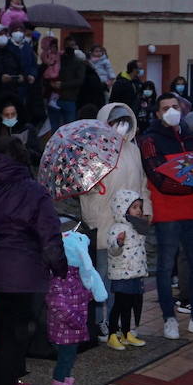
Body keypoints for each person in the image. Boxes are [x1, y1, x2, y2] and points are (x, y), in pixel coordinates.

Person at [0, 136, 67, 385]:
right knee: (17, 333)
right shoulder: (34, 191)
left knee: (0, 330)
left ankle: (8, 381)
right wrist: (60, 267)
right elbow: (49, 236)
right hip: (22, 274)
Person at [140, 94, 193, 339]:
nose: (171, 111)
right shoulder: (149, 140)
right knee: (166, 266)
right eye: (165, 108)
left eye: (175, 107)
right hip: (167, 213)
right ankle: (169, 318)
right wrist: (192, 186)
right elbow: (159, 178)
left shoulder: (191, 138)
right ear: (158, 114)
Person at [78, 102, 148, 337]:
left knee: (126, 273)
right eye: (115, 122)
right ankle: (100, 321)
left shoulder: (133, 149)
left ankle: (119, 321)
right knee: (103, 274)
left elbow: (142, 182)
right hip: (104, 220)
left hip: (130, 224)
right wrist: (93, 215)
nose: (121, 127)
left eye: (125, 122)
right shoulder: (92, 151)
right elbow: (84, 187)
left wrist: (145, 209)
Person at [46, 221, 106, 385]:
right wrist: (76, 319)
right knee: (64, 361)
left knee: (70, 360)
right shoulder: (60, 278)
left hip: (73, 329)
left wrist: (89, 294)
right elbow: (57, 304)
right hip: (65, 330)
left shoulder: (74, 275)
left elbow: (80, 294)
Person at [104, 189, 148, 349]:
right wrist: (119, 243)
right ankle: (112, 334)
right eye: (135, 207)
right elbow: (113, 250)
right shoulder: (117, 228)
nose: (139, 210)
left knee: (129, 304)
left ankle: (126, 332)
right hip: (122, 273)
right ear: (123, 208)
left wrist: (142, 224)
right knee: (120, 304)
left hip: (135, 273)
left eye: (140, 207)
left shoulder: (135, 226)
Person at [52, 36, 87, 129]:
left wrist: (63, 85)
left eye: (72, 45)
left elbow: (80, 80)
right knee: (55, 127)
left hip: (70, 98)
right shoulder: (58, 59)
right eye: (67, 45)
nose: (69, 47)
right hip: (55, 97)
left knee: (70, 127)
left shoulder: (78, 62)